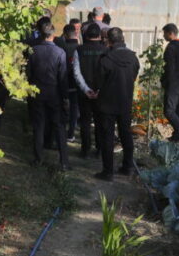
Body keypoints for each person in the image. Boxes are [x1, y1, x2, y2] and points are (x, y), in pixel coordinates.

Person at [92, 27, 139, 181]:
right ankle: (128, 167)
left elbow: (98, 82)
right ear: (122, 38)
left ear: (108, 40)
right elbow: (134, 75)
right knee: (126, 135)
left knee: (107, 137)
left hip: (107, 104)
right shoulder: (133, 58)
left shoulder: (106, 59)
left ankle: (108, 172)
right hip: (125, 102)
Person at [26, 20, 70, 170]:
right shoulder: (60, 52)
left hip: (37, 91)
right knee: (59, 126)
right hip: (54, 93)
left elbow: (28, 73)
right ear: (53, 35)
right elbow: (63, 77)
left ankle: (38, 158)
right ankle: (64, 161)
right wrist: (65, 97)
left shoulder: (33, 50)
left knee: (38, 125)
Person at [76, 22, 107, 158]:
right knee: (100, 122)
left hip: (84, 94)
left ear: (86, 35)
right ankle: (100, 149)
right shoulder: (105, 50)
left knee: (85, 122)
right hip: (101, 93)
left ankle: (86, 150)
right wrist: (99, 90)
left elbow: (76, 73)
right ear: (100, 36)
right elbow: (107, 73)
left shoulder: (79, 50)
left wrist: (86, 89)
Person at [54, 22, 86, 142]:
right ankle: (71, 133)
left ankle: (60, 133)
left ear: (65, 35)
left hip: (62, 82)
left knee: (61, 108)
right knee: (74, 109)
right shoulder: (80, 49)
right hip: (77, 83)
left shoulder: (60, 49)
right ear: (75, 35)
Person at [161, 23, 179, 143]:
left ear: (170, 33)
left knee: (168, 110)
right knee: (178, 110)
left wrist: (165, 81)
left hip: (174, 82)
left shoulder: (171, 47)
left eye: (164, 33)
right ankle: (178, 135)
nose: (164, 36)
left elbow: (170, 68)